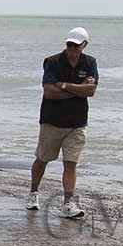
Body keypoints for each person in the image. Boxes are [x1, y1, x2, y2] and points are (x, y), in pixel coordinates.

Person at [28, 26, 98, 219]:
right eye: (69, 45)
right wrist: (78, 89)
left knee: (70, 164)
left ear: (84, 45)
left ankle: (68, 203)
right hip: (52, 121)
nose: (72, 49)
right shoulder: (52, 62)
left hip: (77, 122)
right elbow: (49, 92)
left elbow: (91, 91)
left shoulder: (90, 63)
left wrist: (65, 85)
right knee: (42, 159)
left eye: (76, 46)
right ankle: (34, 192)